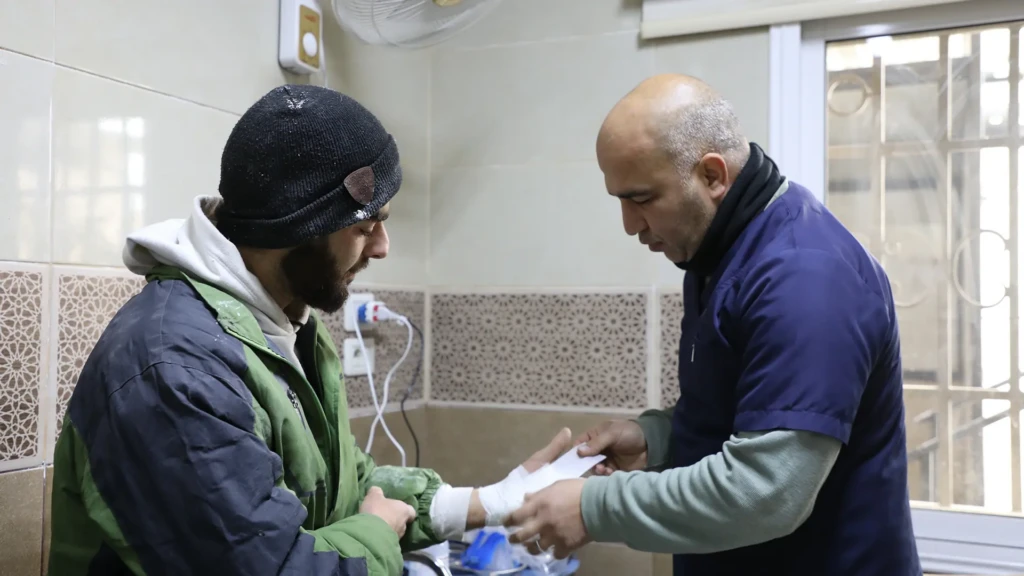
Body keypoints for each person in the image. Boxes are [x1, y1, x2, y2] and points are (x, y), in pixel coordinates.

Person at [47, 84, 572, 576]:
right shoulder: (175, 371)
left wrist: (495, 501)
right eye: (365, 226)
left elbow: (342, 489)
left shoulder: (284, 324)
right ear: (300, 226)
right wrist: (377, 533)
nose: (382, 247)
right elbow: (272, 565)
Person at [507, 74, 921, 575]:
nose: (629, 225)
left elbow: (768, 491)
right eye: (620, 200)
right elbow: (742, 410)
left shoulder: (804, 277)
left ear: (712, 175)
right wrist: (656, 439)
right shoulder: (719, 254)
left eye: (642, 198)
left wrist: (594, 506)